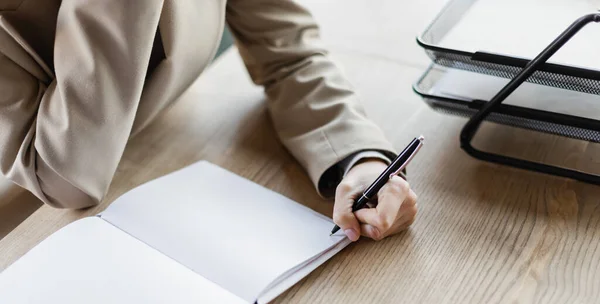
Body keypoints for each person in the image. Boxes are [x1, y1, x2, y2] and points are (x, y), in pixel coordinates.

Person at [0, 0, 417, 242]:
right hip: (30, 227)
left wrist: (355, 157)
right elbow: (62, 177)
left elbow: (289, 55)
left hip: (166, 160)